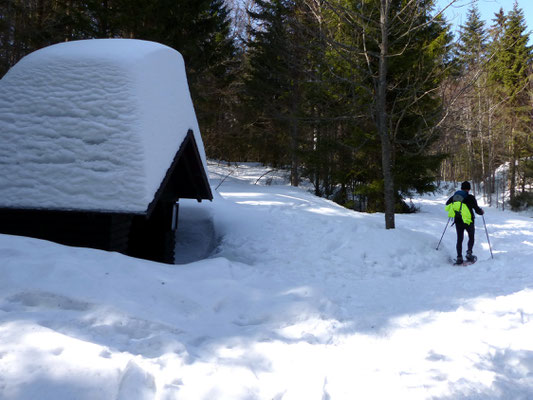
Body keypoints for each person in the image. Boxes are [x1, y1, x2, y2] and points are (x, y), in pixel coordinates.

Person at [445, 181, 484, 263]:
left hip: (458, 221)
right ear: (469, 189)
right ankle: (469, 254)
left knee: (459, 239)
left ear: (461, 188)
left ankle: (459, 257)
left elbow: (447, 203)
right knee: (471, 237)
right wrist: (481, 212)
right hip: (469, 221)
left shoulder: (455, 197)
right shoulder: (471, 197)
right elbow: (477, 209)